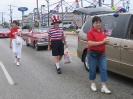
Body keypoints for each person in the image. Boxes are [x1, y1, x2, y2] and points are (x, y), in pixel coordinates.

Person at [87, 16, 111, 94]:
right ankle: (92, 83)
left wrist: (107, 41)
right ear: (93, 23)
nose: (98, 24)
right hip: (92, 54)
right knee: (93, 70)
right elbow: (90, 43)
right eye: (96, 22)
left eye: (99, 22)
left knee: (103, 69)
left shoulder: (103, 31)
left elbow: (105, 40)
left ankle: (103, 86)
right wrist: (102, 42)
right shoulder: (90, 32)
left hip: (102, 53)